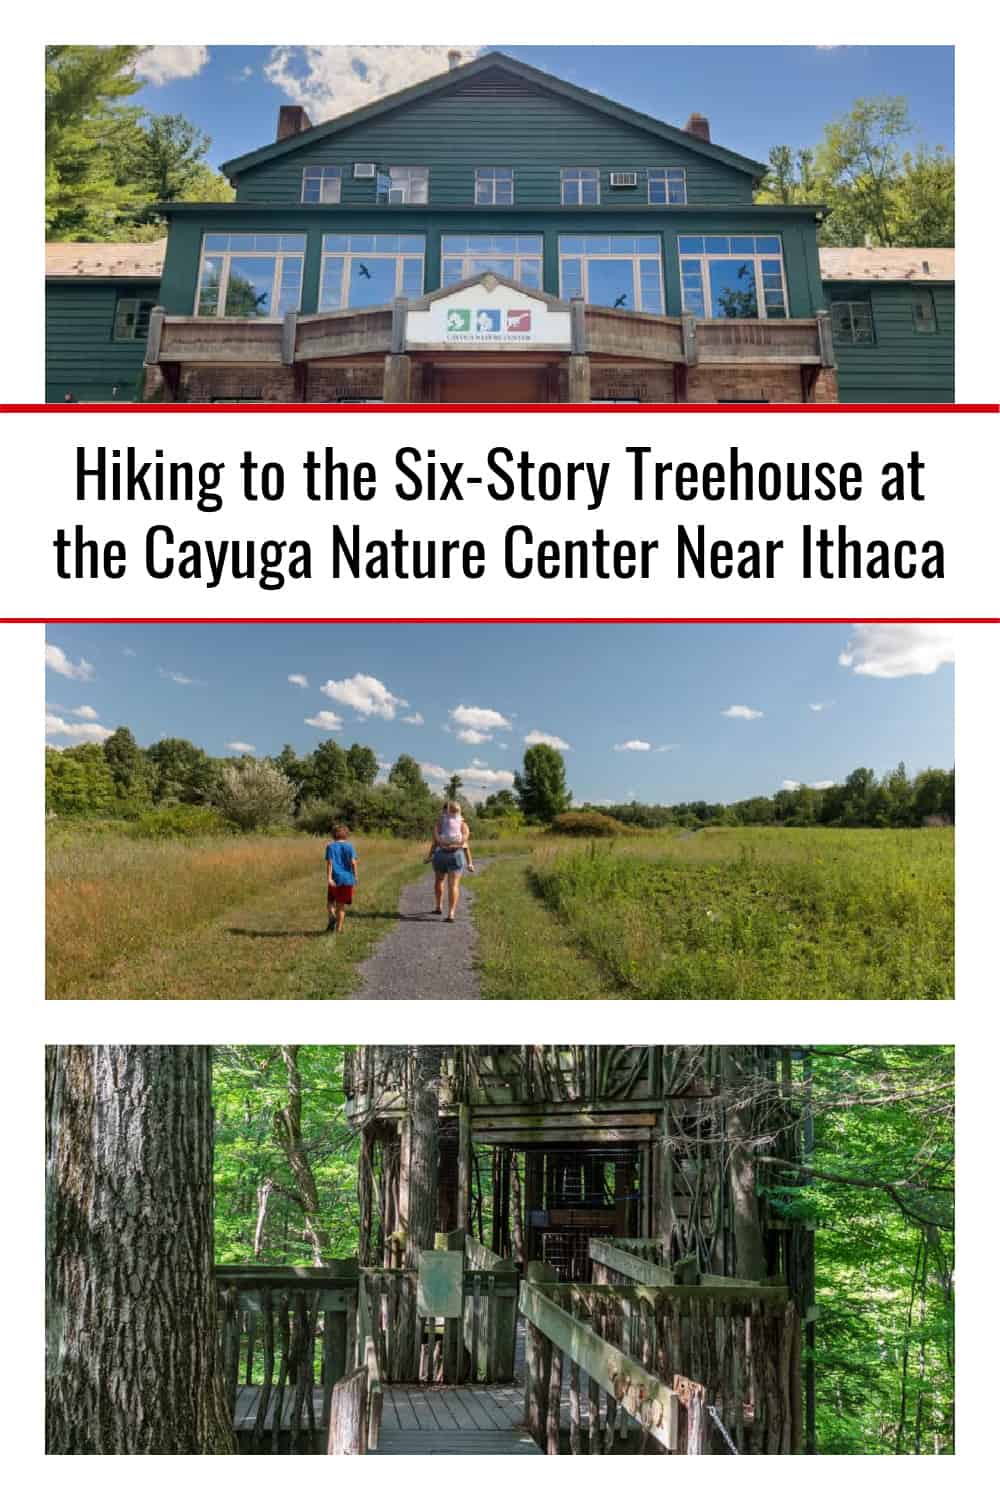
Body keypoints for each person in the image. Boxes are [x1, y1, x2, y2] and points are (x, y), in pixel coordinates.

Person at [427, 800, 473, 921]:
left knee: (439, 881)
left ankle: (438, 906)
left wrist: (439, 845)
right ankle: (451, 913)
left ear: (445, 810)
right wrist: (458, 845)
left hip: (440, 854)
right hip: (456, 855)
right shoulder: (462, 823)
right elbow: (465, 838)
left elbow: (435, 839)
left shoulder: (440, 822)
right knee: (453, 885)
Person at [325, 823, 358, 933]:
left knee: (330, 902)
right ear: (346, 834)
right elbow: (353, 863)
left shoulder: (330, 846)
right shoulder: (350, 846)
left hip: (334, 879)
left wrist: (329, 878)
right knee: (341, 906)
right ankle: (339, 930)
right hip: (347, 879)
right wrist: (355, 876)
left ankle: (332, 915)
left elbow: (330, 863)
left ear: (333, 835)